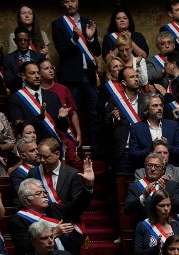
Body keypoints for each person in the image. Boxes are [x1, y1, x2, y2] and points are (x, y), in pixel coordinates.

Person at [51, 0, 102, 157]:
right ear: (62, 5)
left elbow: (98, 52)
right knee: (74, 113)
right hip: (71, 77)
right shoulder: (58, 24)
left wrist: (91, 38)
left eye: (72, 0)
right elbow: (62, 52)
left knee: (95, 113)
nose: (70, 4)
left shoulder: (88, 22)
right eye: (66, 1)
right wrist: (74, 39)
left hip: (89, 76)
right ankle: (76, 150)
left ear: (78, 2)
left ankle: (97, 151)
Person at [9, 178, 86, 255]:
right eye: (39, 193)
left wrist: (88, 186)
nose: (44, 195)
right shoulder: (18, 220)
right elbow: (24, 247)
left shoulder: (54, 208)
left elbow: (77, 210)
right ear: (27, 200)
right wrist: (54, 234)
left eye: (44, 192)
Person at [7, 61, 69, 143]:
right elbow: (19, 126)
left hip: (53, 146)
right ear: (23, 76)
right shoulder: (16, 98)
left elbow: (63, 128)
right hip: (32, 146)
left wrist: (62, 119)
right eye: (32, 73)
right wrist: (39, 118)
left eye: (38, 73)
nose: (37, 76)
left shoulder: (53, 96)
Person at [38, 58, 82, 160]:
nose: (51, 70)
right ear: (39, 73)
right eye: (46, 68)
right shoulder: (37, 93)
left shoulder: (63, 89)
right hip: (47, 135)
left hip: (65, 133)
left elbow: (73, 113)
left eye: (52, 68)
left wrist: (78, 134)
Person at [104, 66, 144, 173]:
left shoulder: (145, 100)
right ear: (124, 82)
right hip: (124, 152)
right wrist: (114, 120)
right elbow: (105, 125)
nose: (136, 79)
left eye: (137, 76)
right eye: (131, 77)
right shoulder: (115, 100)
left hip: (143, 151)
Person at [130, 93, 179, 167]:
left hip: (170, 170)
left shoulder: (173, 126)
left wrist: (167, 146)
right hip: (146, 170)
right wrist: (152, 148)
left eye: (161, 105)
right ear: (146, 109)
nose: (159, 108)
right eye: (155, 105)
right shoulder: (137, 128)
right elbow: (133, 155)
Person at [125, 152, 179, 224]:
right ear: (145, 168)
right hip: (146, 230)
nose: (152, 169)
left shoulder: (173, 185)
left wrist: (166, 193)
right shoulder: (135, 187)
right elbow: (127, 210)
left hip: (167, 229)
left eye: (157, 166)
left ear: (163, 169)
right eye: (150, 165)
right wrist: (143, 196)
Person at [3, 26, 45, 93]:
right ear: (15, 41)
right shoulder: (8, 59)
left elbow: (44, 79)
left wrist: (35, 67)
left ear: (30, 41)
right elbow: (8, 83)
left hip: (37, 93)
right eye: (20, 40)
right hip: (18, 94)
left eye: (25, 40)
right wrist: (19, 71)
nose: (23, 43)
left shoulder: (39, 57)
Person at [10, 138, 40, 204]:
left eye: (37, 149)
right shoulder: (17, 175)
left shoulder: (44, 167)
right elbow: (24, 197)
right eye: (32, 151)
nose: (37, 152)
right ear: (23, 156)